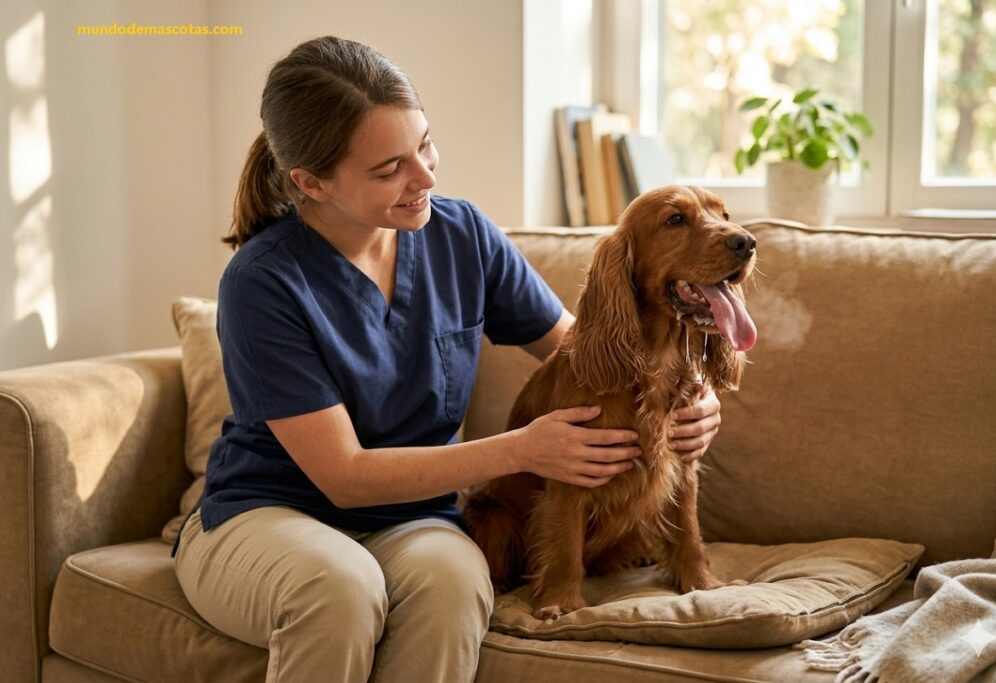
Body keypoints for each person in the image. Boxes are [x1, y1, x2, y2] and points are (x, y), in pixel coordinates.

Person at [171, 36, 724, 683]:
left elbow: (589, 348)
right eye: (390, 168)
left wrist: (692, 398)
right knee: (340, 588)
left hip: (412, 520)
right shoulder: (262, 282)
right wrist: (522, 448)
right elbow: (343, 476)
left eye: (425, 145)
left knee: (456, 585)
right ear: (310, 182)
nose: (426, 176)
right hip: (269, 514)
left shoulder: (461, 235)